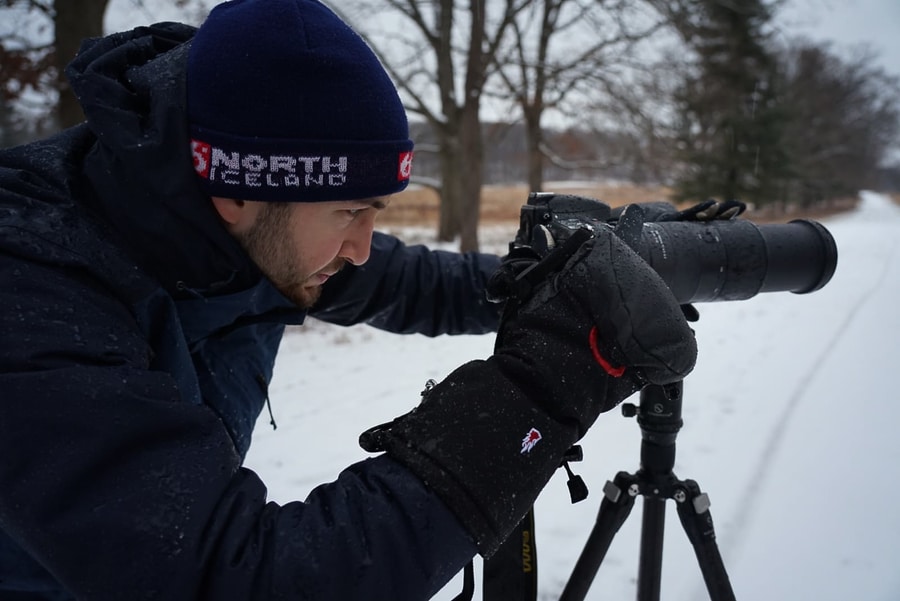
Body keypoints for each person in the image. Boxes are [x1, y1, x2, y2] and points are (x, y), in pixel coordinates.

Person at [0, 0, 697, 598]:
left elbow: (406, 280)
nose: (364, 245)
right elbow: (238, 577)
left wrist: (549, 279)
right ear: (239, 189)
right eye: (349, 212)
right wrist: (541, 388)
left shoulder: (227, 222)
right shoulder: (32, 289)